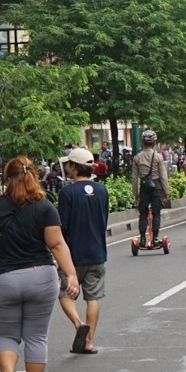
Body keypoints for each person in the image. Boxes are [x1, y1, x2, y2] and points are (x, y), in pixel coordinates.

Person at [0, 156, 80, 372]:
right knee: (36, 336)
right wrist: (71, 274)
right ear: (35, 176)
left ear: (6, 178)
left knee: (6, 335)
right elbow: (56, 243)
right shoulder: (44, 206)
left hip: (3, 279)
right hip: (40, 276)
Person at [56, 150, 109, 354]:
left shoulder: (67, 193)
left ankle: (78, 324)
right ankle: (89, 341)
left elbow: (63, 226)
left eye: (69, 163)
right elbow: (103, 219)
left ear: (73, 167)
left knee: (65, 292)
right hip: (96, 251)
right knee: (92, 297)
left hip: (72, 254)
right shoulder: (102, 190)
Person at [131, 130, 169, 245]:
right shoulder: (158, 157)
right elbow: (163, 176)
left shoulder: (137, 158)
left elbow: (134, 177)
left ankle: (142, 238)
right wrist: (166, 191)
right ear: (154, 142)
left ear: (142, 142)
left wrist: (136, 193)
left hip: (144, 186)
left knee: (143, 213)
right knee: (156, 212)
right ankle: (156, 238)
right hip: (156, 186)